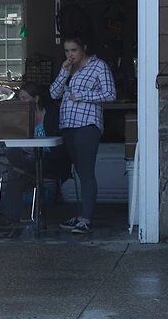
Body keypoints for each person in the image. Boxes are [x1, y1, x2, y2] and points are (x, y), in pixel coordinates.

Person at [49, 34, 117, 234]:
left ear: (84, 48)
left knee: (86, 172)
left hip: (87, 125)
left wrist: (82, 96)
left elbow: (110, 94)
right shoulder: (69, 68)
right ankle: (80, 216)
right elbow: (54, 94)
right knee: (78, 172)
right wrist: (63, 72)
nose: (70, 55)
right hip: (68, 125)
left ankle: (86, 218)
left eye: (74, 50)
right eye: (67, 51)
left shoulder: (98, 66)